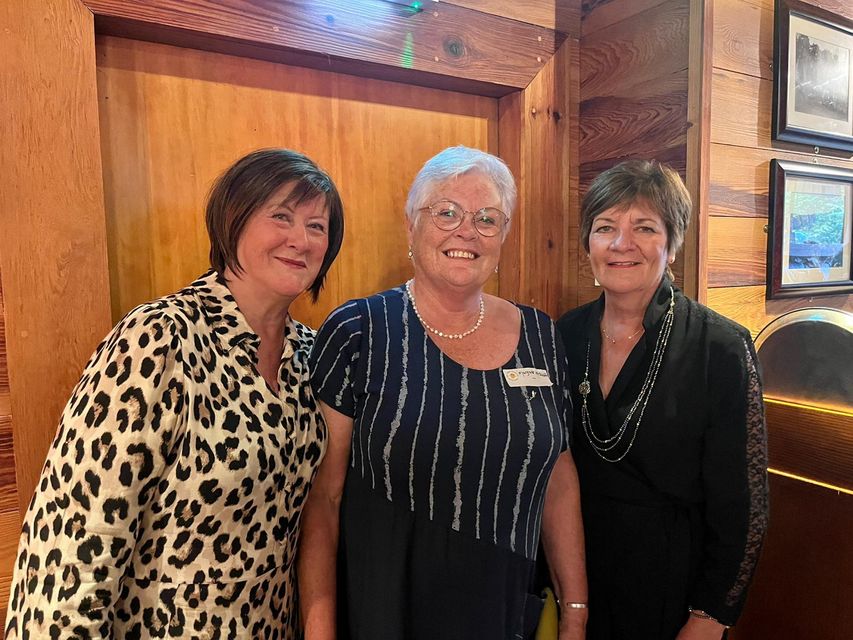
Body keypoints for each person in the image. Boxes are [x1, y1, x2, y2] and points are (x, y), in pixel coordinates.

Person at [4, 148, 344, 639]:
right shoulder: (159, 337)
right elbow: (78, 532)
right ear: (233, 218)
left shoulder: (313, 356)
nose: (300, 239)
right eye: (282, 217)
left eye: (317, 226)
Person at [299, 146, 587, 640]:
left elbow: (557, 476)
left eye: (487, 218)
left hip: (503, 610)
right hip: (385, 612)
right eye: (446, 212)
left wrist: (576, 609)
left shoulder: (541, 335)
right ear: (412, 226)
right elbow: (323, 500)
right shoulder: (359, 331)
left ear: (504, 236)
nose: (466, 231)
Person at [556, 160, 769, 640]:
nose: (620, 243)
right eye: (604, 227)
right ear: (588, 243)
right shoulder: (564, 335)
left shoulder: (721, 347)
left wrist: (710, 617)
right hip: (576, 575)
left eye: (644, 228)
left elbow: (745, 506)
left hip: (674, 589)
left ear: (672, 245)